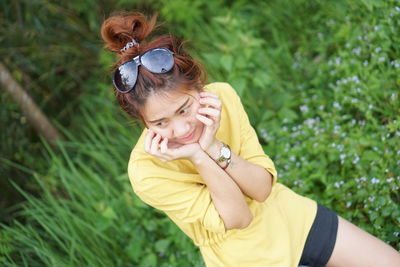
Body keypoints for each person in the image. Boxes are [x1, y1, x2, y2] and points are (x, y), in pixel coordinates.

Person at [100, 12, 400, 267]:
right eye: (160, 122)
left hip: (289, 217)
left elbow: (262, 189)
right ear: (142, 122)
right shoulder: (145, 171)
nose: (180, 130)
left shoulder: (223, 97)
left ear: (199, 87)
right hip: (244, 257)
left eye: (184, 109)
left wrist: (213, 145)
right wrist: (198, 156)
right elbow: (239, 217)